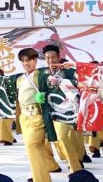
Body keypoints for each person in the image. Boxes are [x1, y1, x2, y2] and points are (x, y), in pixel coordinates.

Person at [12, 48, 62, 182]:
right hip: (24, 117)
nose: (25, 63)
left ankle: (40, 179)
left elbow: (54, 81)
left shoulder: (41, 74)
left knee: (32, 146)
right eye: (23, 61)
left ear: (35, 60)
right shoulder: (20, 78)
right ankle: (40, 176)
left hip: (36, 116)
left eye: (28, 60)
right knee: (35, 148)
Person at [41, 45, 85, 173]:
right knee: (57, 137)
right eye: (47, 58)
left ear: (58, 57)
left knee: (68, 136)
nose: (50, 60)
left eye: (53, 57)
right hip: (52, 111)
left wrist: (65, 80)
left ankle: (76, 163)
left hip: (70, 110)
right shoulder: (43, 73)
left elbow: (80, 80)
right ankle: (75, 163)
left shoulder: (67, 70)